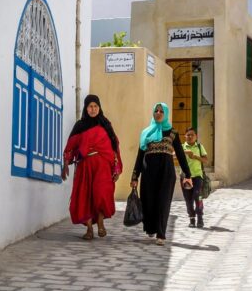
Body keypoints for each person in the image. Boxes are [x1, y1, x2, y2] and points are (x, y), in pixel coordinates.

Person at [131, 102, 192, 246]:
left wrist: (187, 174)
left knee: (163, 202)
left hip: (166, 173)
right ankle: (151, 227)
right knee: (148, 202)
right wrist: (135, 176)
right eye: (156, 111)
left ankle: (161, 233)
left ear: (165, 114)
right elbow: (140, 155)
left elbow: (180, 154)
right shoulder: (146, 133)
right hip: (148, 173)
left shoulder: (172, 133)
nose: (158, 113)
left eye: (161, 111)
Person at [62, 94, 122, 240]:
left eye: (96, 106)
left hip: (102, 165)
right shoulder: (80, 126)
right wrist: (66, 164)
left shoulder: (106, 124)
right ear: (86, 108)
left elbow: (114, 146)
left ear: (99, 108)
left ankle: (100, 221)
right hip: (85, 166)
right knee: (85, 196)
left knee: (101, 193)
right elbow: (71, 145)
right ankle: (89, 229)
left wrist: (117, 168)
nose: (93, 109)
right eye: (90, 106)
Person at [181, 128, 208, 229]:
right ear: (185, 136)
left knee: (198, 196)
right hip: (185, 177)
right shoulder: (182, 147)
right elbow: (173, 155)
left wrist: (195, 156)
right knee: (188, 200)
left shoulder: (200, 146)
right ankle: (192, 219)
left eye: (192, 135)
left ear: (196, 136)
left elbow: (205, 160)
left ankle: (200, 218)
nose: (190, 137)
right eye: (188, 135)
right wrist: (184, 152)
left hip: (197, 176)